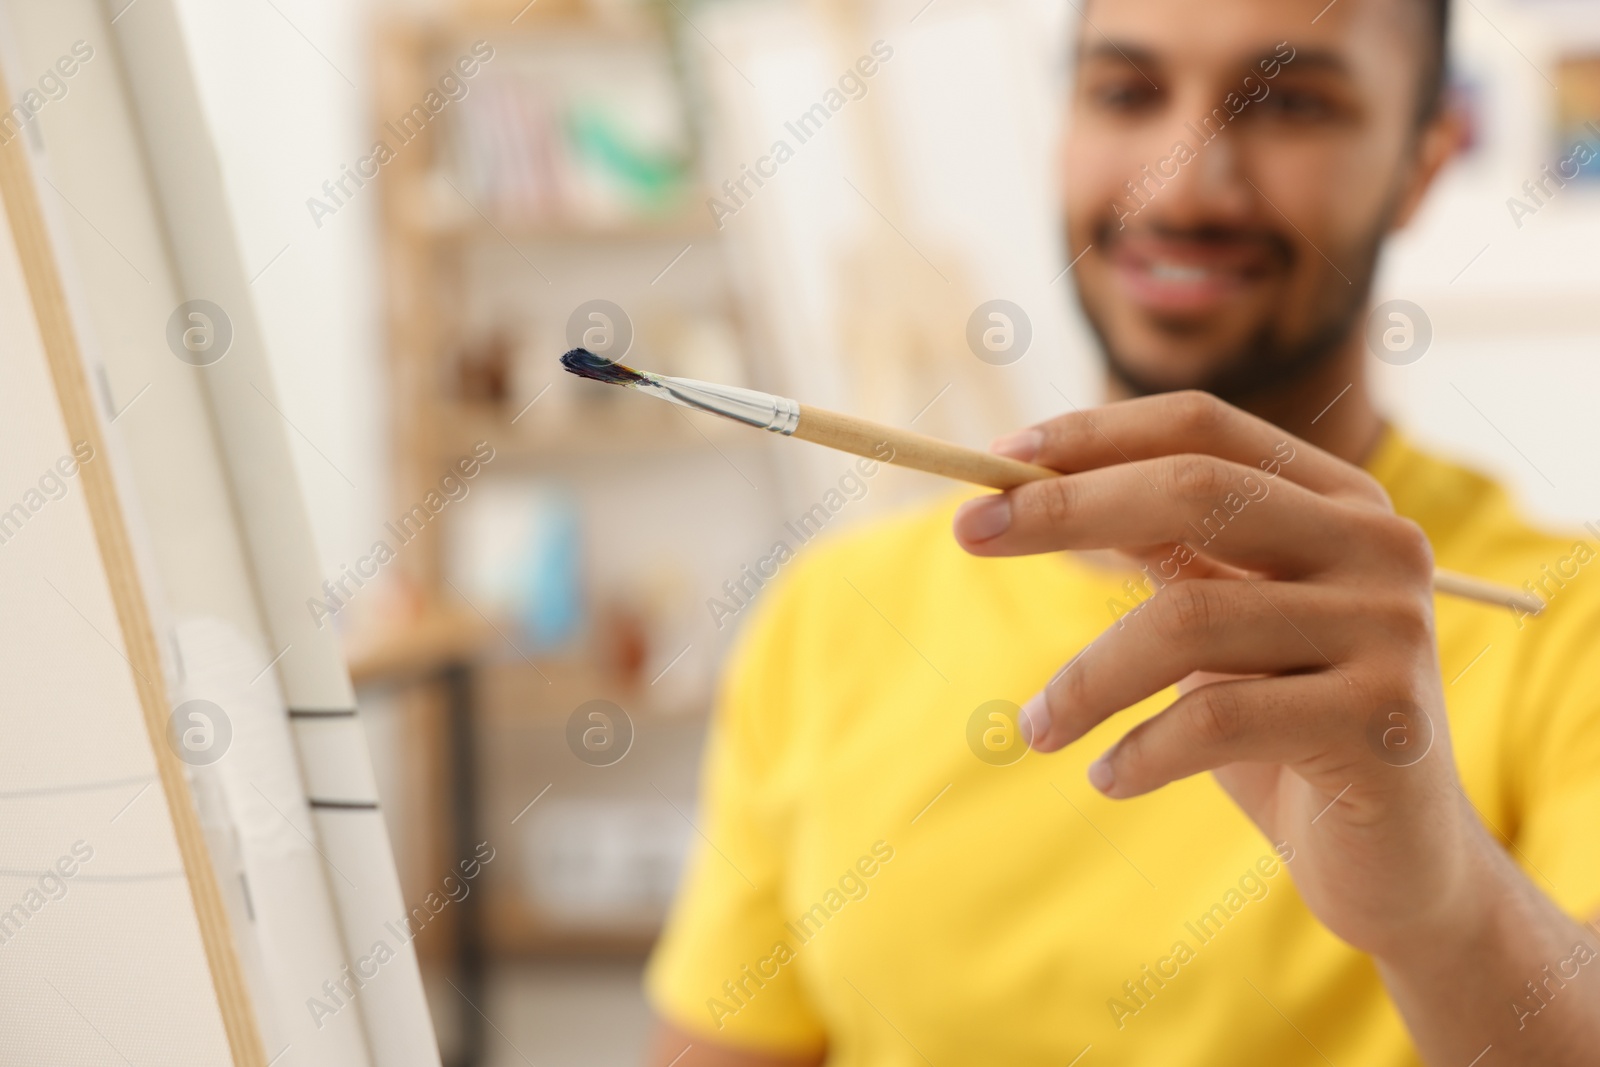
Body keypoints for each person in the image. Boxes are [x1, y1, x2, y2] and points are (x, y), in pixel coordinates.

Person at [644, 0, 1600, 1063]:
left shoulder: (1566, 616)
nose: (1180, 184)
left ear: (1422, 164)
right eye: (1127, 91)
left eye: (1288, 102)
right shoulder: (826, 613)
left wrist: (1439, 915)